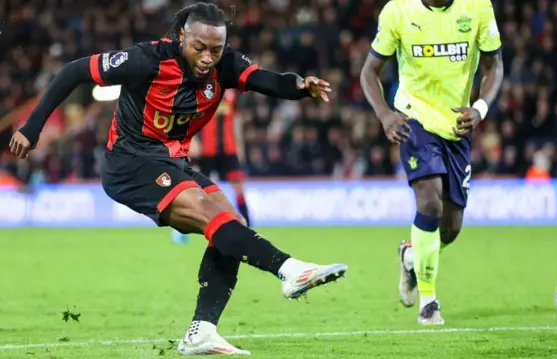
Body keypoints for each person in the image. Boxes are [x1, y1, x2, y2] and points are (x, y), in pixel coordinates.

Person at [9, 2, 347, 355]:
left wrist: (300, 87)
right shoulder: (147, 60)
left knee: (233, 223)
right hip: (130, 163)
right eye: (199, 47)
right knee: (214, 217)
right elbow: (73, 71)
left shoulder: (224, 65)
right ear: (182, 36)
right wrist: (32, 128)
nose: (207, 58)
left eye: (215, 50)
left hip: (172, 162)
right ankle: (290, 270)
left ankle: (202, 331)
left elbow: (268, 80)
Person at [360, 0, 504, 325]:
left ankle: (411, 255)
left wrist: (480, 107)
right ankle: (429, 303)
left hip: (457, 123)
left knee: (450, 229)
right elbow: (369, 72)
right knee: (429, 202)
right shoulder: (398, 11)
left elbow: (495, 65)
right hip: (414, 117)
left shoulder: (478, 8)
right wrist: (385, 114)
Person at [171, 89, 249, 244]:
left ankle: (249, 230)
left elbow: (235, 120)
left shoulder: (231, 94)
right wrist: (192, 141)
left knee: (239, 187)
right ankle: (179, 230)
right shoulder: (201, 88)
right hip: (206, 149)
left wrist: (240, 145)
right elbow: (188, 117)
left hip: (228, 148)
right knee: (193, 190)